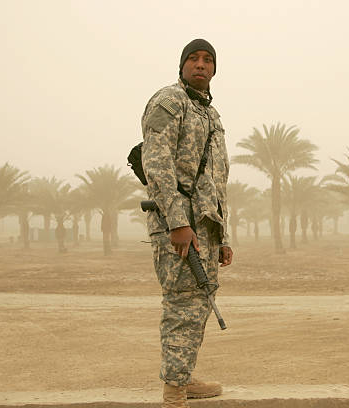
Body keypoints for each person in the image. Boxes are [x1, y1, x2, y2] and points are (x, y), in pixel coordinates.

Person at [141, 38, 233, 408]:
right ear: (181, 66)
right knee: (182, 303)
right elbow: (156, 161)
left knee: (200, 304)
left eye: (207, 60)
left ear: (214, 69)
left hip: (206, 227)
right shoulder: (169, 101)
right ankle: (174, 392)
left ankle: (185, 375)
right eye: (193, 59)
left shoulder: (211, 115)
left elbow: (218, 179)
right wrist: (178, 222)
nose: (200, 65)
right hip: (176, 225)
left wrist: (223, 234)